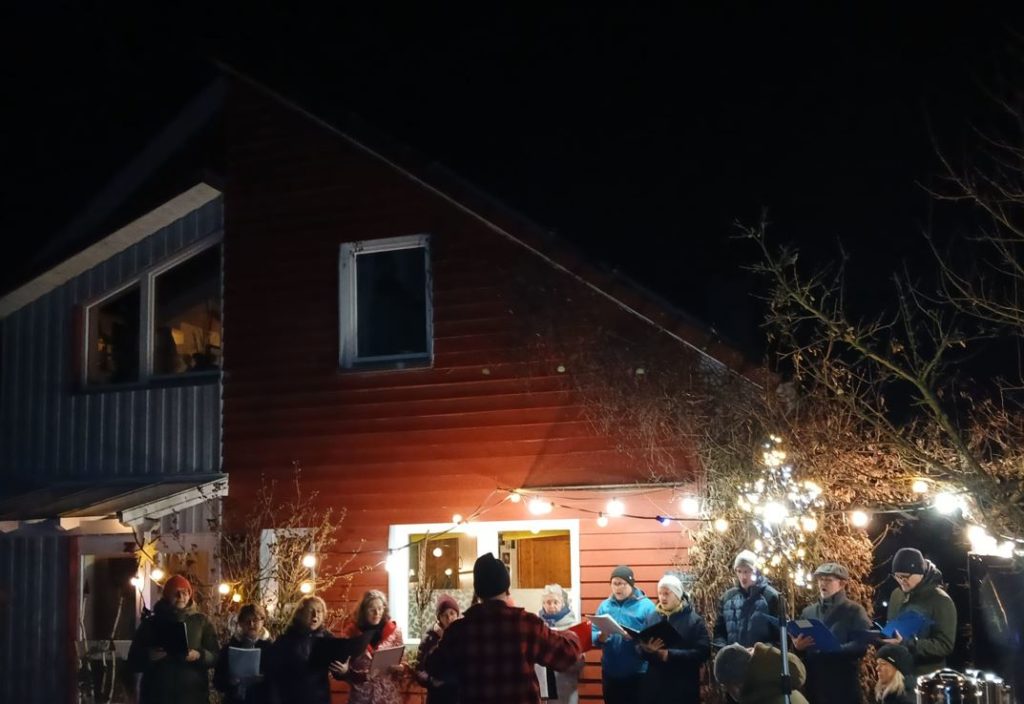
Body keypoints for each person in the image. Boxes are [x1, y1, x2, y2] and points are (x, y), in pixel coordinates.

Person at [424, 552, 581, 704]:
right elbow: (567, 655)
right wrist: (571, 634)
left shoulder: (459, 630)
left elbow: (433, 666)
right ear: (507, 588)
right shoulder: (528, 624)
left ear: (477, 592)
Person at [126, 574, 220, 704]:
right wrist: (149, 656)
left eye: (184, 592)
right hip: (156, 696)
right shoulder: (151, 623)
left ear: (190, 594)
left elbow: (215, 656)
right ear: (166, 595)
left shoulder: (201, 622)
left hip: (193, 695)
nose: (181, 597)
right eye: (175, 593)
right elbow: (133, 660)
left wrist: (199, 655)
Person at [789, 562, 871, 704]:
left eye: (828, 580)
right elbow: (799, 647)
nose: (822, 583)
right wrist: (798, 647)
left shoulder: (855, 611)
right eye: (820, 579)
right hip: (814, 685)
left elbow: (861, 645)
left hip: (843, 685)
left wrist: (835, 649)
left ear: (842, 583)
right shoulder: (808, 612)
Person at [636, 574, 710, 704]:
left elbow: (703, 652)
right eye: (660, 593)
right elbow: (638, 646)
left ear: (677, 594)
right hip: (655, 688)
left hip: (683, 688)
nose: (662, 597)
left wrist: (669, 655)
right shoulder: (652, 617)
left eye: (667, 593)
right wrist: (647, 650)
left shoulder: (694, 620)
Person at [881, 547, 957, 675]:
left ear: (920, 573)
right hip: (897, 675)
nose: (901, 581)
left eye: (905, 577)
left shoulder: (941, 600)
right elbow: (892, 629)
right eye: (897, 577)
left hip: (925, 677)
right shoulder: (896, 595)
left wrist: (908, 644)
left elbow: (945, 645)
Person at [592, 565, 657, 704]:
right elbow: (593, 633)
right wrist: (600, 636)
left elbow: (654, 637)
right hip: (610, 673)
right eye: (614, 584)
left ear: (631, 584)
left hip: (638, 673)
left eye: (622, 584)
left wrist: (636, 639)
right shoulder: (604, 606)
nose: (617, 588)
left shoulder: (647, 607)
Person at [266, 595, 348, 704]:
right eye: (310, 610)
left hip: (320, 699)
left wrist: (343, 671)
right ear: (299, 614)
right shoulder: (285, 640)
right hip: (291, 698)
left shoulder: (328, 638)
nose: (315, 615)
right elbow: (273, 675)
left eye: (319, 611)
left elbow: (337, 669)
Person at [340, 589, 406, 704]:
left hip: (387, 697)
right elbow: (343, 667)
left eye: (380, 608)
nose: (377, 613)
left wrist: (401, 668)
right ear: (363, 610)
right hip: (361, 697)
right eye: (372, 609)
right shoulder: (351, 634)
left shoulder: (394, 632)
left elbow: (403, 661)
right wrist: (347, 673)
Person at [713, 551, 780, 648]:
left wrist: (760, 650)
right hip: (735, 656)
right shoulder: (727, 598)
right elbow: (719, 633)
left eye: (747, 571)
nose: (743, 577)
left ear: (755, 571)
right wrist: (726, 650)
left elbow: (780, 637)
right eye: (739, 571)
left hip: (761, 657)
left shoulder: (770, 596)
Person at [214, 603, 274, 704]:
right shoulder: (229, 648)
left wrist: (264, 678)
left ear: (262, 622)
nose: (251, 624)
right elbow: (217, 681)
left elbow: (279, 679)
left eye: (255, 620)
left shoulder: (271, 648)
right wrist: (229, 680)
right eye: (247, 620)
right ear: (240, 623)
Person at [537, 583, 586, 704]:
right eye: (548, 602)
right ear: (543, 604)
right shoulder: (537, 625)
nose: (552, 606)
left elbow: (580, 660)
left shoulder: (573, 626)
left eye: (556, 602)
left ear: (563, 603)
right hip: (544, 686)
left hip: (566, 683)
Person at [714, 642, 809, 704]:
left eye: (727, 687)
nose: (729, 693)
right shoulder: (772, 682)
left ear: (736, 685)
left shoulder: (762, 696)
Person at [415, 595, 462, 704]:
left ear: (457, 614)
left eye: (452, 613)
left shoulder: (463, 635)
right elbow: (419, 669)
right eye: (444, 615)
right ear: (439, 618)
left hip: (458, 695)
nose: (449, 618)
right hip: (437, 696)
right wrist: (431, 681)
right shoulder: (430, 639)